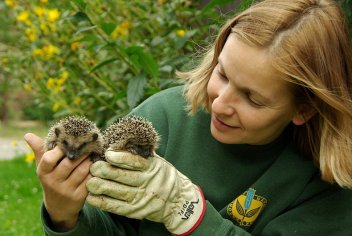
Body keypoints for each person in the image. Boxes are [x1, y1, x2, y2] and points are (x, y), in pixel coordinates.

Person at [25, 0, 352, 235]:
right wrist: (65, 215)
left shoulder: (324, 184)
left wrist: (189, 213)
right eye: (222, 74)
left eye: (252, 98)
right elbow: (110, 226)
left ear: (303, 109)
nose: (221, 103)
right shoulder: (162, 116)